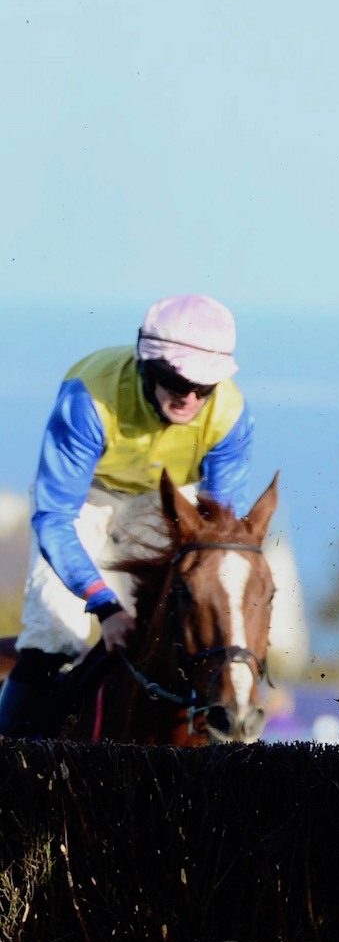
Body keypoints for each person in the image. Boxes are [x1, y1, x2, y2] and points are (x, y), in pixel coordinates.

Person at [0, 295, 257, 737]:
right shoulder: (90, 394)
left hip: (165, 500)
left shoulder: (232, 415)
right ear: (148, 363)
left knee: (198, 620)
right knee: (53, 632)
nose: (190, 399)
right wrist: (104, 605)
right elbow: (56, 516)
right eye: (176, 381)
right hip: (84, 500)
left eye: (204, 388)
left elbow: (218, 530)